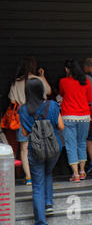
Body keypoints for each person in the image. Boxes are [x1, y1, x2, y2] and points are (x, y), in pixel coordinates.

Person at [18, 78, 64, 225]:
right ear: (41, 90)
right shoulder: (52, 105)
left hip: (35, 150)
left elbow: (24, 133)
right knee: (48, 172)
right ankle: (48, 203)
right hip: (54, 148)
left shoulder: (23, 110)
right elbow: (61, 126)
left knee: (37, 185)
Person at [8, 56, 52, 185]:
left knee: (24, 147)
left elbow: (12, 101)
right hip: (39, 115)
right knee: (41, 145)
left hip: (23, 115)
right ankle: (40, 175)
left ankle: (28, 177)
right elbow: (48, 91)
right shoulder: (38, 80)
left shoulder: (16, 82)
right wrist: (42, 76)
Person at [59, 59, 92, 182]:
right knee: (82, 143)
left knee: (71, 145)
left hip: (68, 116)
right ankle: (83, 171)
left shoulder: (63, 81)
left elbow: (62, 94)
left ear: (67, 70)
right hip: (84, 117)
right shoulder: (86, 82)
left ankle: (75, 174)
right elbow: (89, 98)